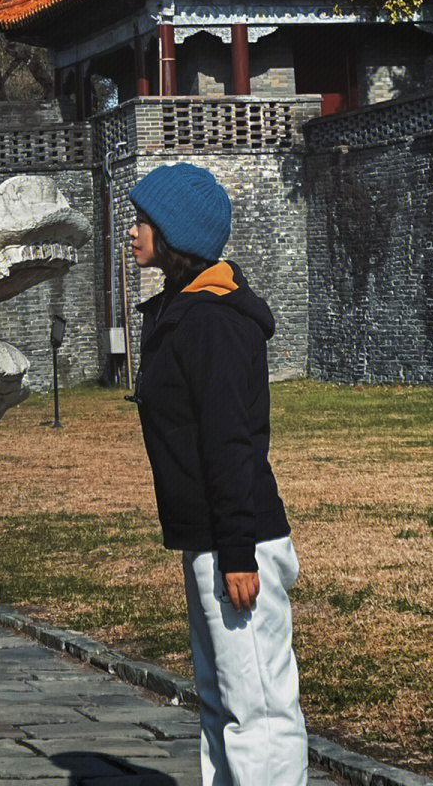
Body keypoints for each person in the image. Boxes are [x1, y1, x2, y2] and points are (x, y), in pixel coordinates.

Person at [129, 161, 308, 786]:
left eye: (144, 219)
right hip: (208, 539)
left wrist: (236, 552)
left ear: (175, 231)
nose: (133, 230)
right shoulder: (185, 310)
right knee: (222, 701)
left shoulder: (215, 319)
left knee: (257, 707)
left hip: (239, 543)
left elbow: (233, 443)